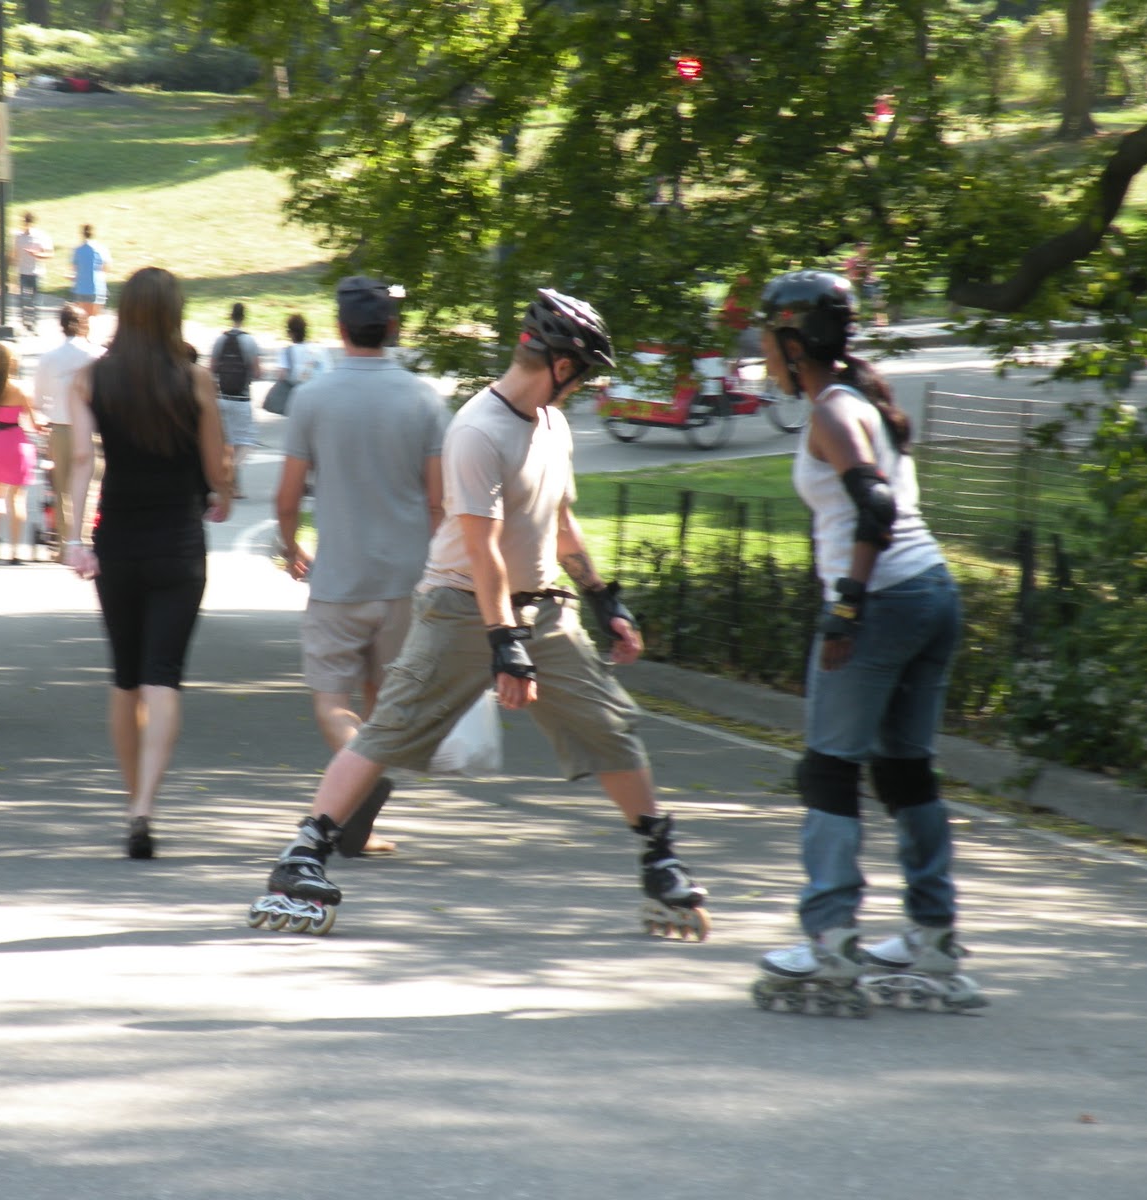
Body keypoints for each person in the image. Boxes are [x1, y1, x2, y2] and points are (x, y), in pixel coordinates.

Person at [248, 288, 710, 940]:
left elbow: (561, 522)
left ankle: (660, 862)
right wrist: (504, 644)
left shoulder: (551, 424)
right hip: (461, 610)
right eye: (583, 374)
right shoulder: (477, 430)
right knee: (391, 730)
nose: (582, 387)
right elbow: (481, 549)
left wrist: (603, 598)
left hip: (543, 609)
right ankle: (301, 858)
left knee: (611, 727)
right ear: (560, 365)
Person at [748, 269, 983, 1017]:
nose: (762, 354)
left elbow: (874, 505)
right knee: (906, 770)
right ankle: (932, 935)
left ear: (794, 342)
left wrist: (846, 605)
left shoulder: (832, 411)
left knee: (828, 768)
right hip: (931, 591)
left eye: (767, 340)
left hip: (881, 599)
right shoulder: (861, 397)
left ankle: (831, 938)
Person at [65, 267, 233, 860]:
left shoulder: (91, 378)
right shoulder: (195, 380)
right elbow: (215, 468)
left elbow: (82, 459)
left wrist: (72, 538)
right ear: (173, 313)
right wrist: (224, 490)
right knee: (163, 678)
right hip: (179, 545)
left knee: (125, 678)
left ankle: (130, 798)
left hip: (118, 542)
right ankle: (145, 807)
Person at [274, 278, 445, 858]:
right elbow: (440, 502)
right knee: (382, 706)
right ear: (392, 328)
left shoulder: (312, 398)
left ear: (340, 329)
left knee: (331, 701)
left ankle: (357, 791)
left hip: (337, 580)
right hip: (405, 582)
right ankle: (361, 820)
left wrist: (290, 546)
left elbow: (287, 496)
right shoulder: (424, 399)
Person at [33, 303, 99, 557]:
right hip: (91, 427)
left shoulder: (49, 358)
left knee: (61, 488)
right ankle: (84, 540)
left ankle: (64, 546)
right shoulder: (97, 356)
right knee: (89, 485)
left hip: (60, 427)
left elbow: (40, 399)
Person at [0, 339, 46, 563]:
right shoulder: (21, 389)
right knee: (17, 499)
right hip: (16, 444)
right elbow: (34, 421)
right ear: (13, 361)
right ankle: (16, 550)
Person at [209, 302, 261, 498]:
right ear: (244, 317)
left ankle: (234, 487)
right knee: (247, 441)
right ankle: (230, 471)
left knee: (228, 441)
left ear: (230, 316)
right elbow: (257, 371)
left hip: (222, 397)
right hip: (241, 398)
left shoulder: (220, 340)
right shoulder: (250, 341)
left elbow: (212, 368)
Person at [13, 211, 53, 333]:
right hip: (22, 272)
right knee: (23, 300)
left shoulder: (41, 236)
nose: (25, 225)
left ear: (32, 223)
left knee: (35, 301)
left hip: (36, 272)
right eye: (24, 222)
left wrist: (37, 254)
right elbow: (15, 254)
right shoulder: (19, 237)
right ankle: (25, 324)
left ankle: (34, 325)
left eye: (27, 222)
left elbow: (50, 254)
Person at [274, 312, 330, 394]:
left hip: (297, 394)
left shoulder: (286, 352)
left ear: (290, 333)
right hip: (318, 392)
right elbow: (328, 372)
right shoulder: (320, 349)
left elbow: (281, 376)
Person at [71, 224, 110, 318]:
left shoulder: (78, 250)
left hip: (81, 287)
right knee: (95, 317)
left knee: (82, 317)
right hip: (98, 287)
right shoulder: (101, 249)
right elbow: (106, 267)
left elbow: (74, 268)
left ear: (82, 234)